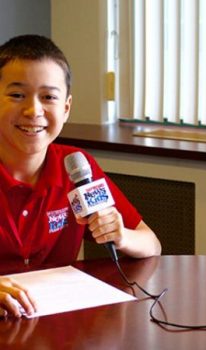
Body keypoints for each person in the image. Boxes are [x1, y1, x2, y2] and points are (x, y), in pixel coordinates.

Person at [0, 34, 161, 318]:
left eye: (48, 97)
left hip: (52, 322)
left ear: (66, 108)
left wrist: (121, 236)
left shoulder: (75, 166)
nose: (33, 110)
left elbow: (151, 243)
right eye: (17, 95)